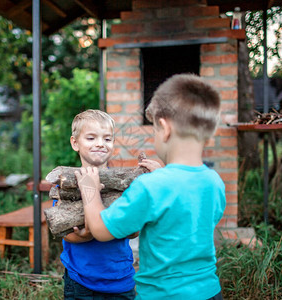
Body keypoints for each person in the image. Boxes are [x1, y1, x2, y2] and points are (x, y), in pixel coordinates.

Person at [75, 74, 226, 299]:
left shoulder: (150, 186)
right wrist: (165, 174)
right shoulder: (214, 182)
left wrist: (89, 189)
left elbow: (100, 230)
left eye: (154, 130)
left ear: (164, 129)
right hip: (209, 291)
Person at [60, 109, 136, 299]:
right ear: (75, 143)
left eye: (107, 139)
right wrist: (83, 237)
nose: (100, 144)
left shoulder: (122, 185)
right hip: (80, 280)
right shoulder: (66, 184)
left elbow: (135, 230)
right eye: (91, 138)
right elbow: (64, 230)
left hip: (120, 279)